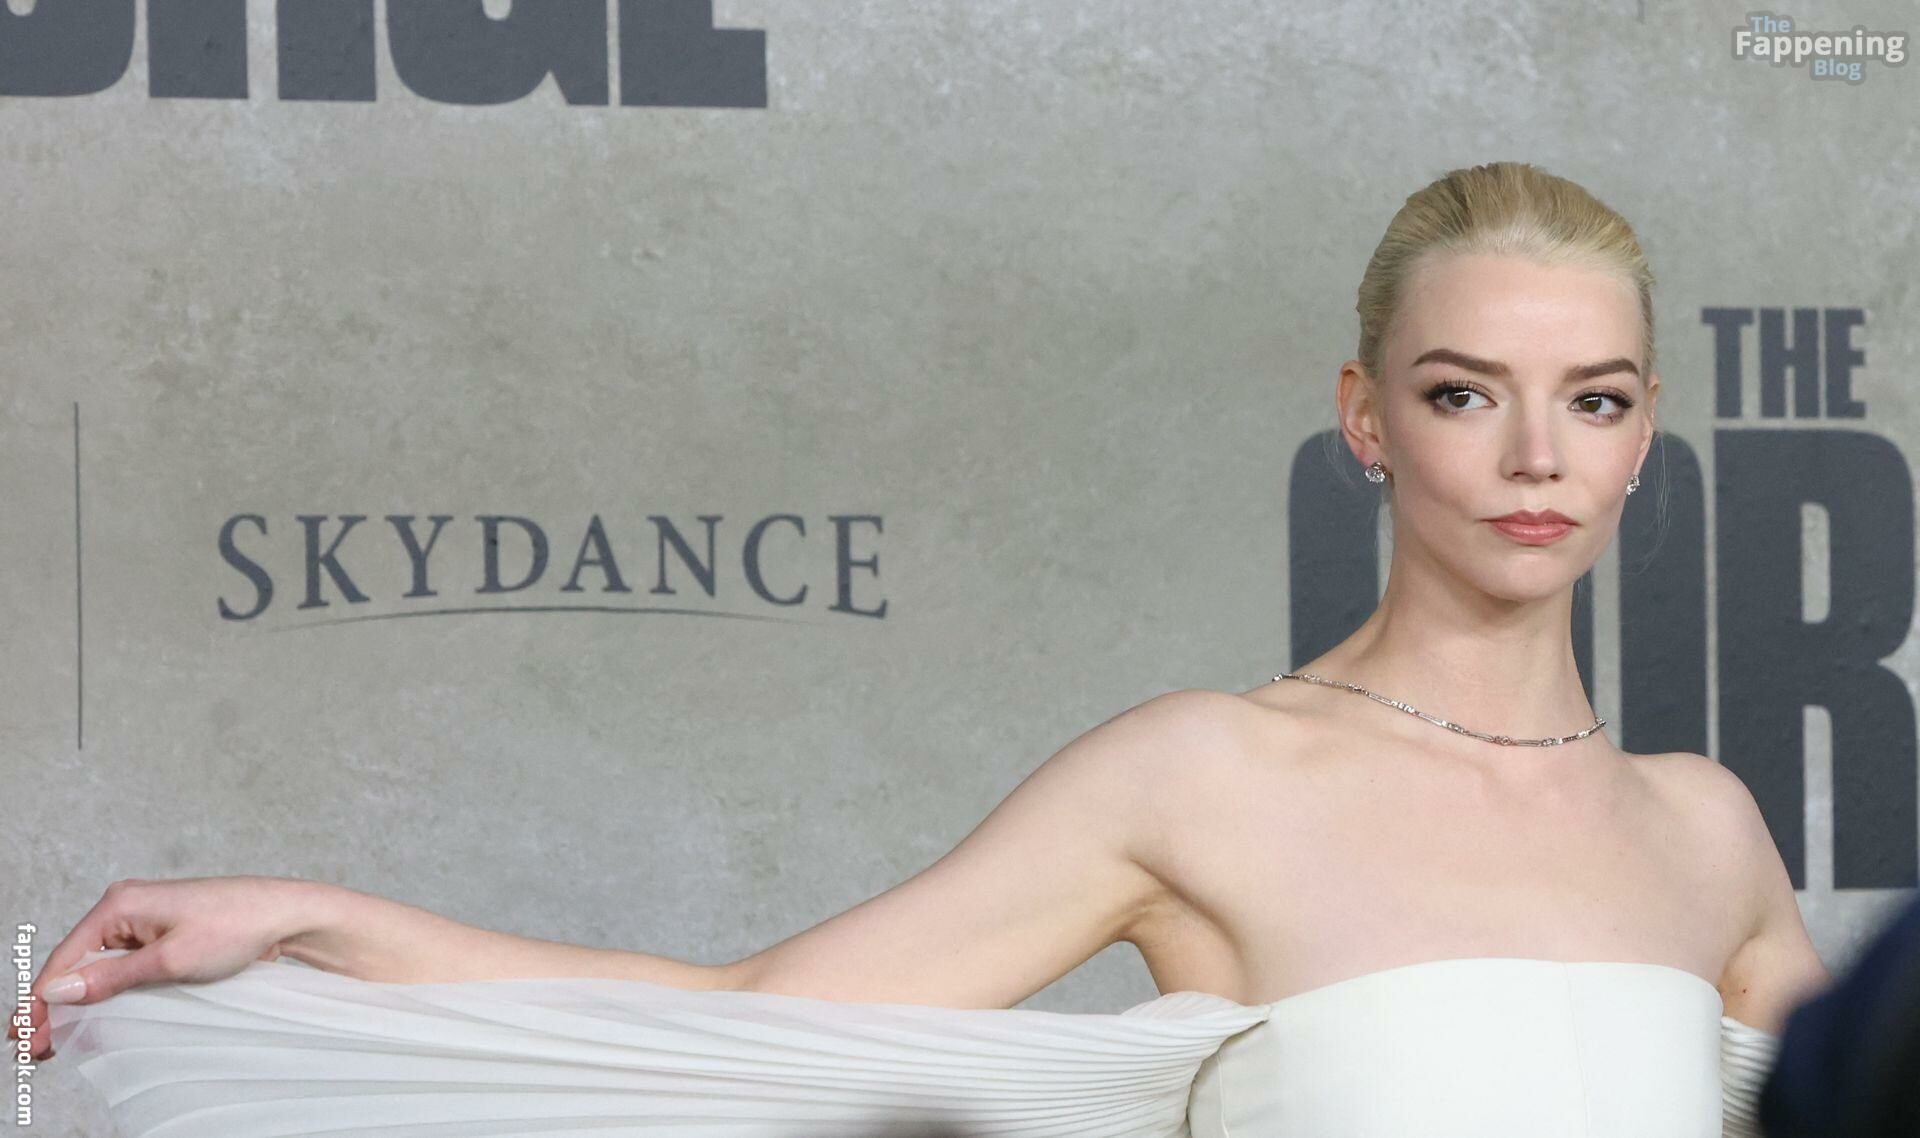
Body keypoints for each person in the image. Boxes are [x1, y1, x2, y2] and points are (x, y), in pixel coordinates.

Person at [14, 161, 1836, 1136]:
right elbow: (752, 1019)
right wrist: (321, 920)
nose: (1537, 457)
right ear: (1367, 417)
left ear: (1645, 433)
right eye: (1464, 392)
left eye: (1595, 398)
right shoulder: (1207, 775)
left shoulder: (1705, 830)